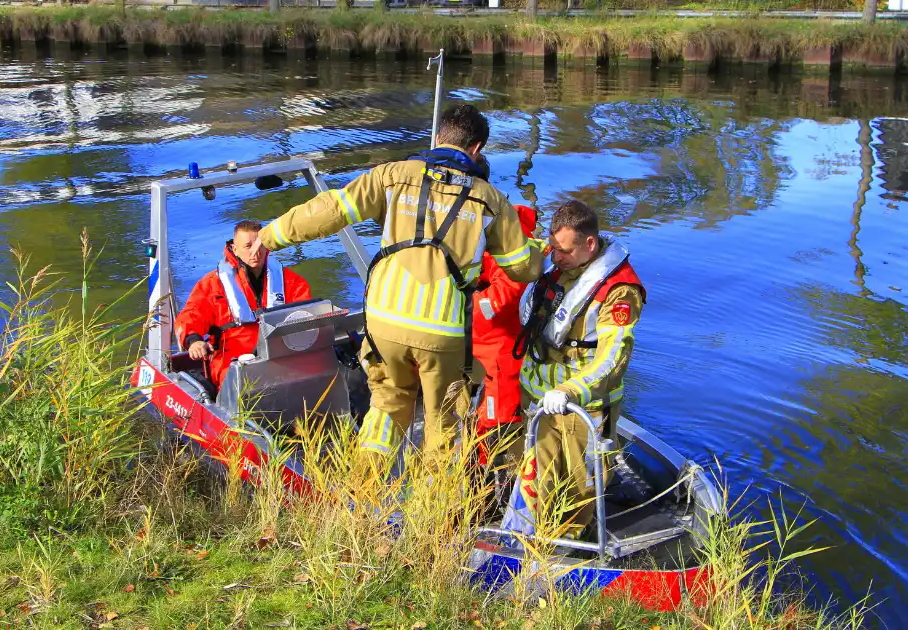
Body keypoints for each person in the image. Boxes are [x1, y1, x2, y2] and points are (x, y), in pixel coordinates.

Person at [257, 103, 544, 459]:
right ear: (477, 149)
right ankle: (434, 510)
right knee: (444, 422)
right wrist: (540, 249)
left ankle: (364, 492)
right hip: (442, 332)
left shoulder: (392, 175)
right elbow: (523, 268)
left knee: (386, 405)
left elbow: (330, 210)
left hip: (384, 322)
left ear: (438, 137)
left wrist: (270, 235)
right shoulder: (490, 201)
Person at [511, 199, 645, 537]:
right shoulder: (554, 264)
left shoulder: (619, 292)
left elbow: (613, 359)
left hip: (583, 406)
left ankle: (567, 547)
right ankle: (525, 540)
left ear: (589, 244)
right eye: (554, 249)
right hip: (537, 400)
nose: (556, 258)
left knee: (578, 487)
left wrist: (569, 391)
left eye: (565, 252)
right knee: (533, 476)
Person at [174, 219, 313, 388]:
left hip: (281, 354)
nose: (255, 252)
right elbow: (190, 316)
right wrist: (194, 341)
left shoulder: (290, 282)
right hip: (232, 361)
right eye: (248, 246)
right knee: (246, 385)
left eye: (260, 245)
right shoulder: (212, 284)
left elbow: (308, 316)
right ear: (235, 249)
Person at [470, 204, 539, 465]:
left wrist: (460, 307)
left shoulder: (516, 246)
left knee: (499, 420)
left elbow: (501, 300)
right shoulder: (489, 238)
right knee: (481, 416)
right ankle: (482, 469)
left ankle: (500, 481)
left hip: (501, 355)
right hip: (482, 352)